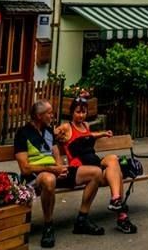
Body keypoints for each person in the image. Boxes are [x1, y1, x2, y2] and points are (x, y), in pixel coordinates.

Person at [14, 99, 104, 248]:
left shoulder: (49, 130)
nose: (52, 116)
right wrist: (51, 170)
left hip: (54, 172)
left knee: (96, 173)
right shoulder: (23, 134)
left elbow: (56, 155)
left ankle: (82, 219)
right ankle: (48, 225)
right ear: (38, 116)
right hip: (36, 177)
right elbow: (25, 168)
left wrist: (61, 168)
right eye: (49, 113)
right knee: (49, 180)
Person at [55, 98, 137, 234]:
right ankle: (122, 217)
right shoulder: (66, 127)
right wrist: (56, 133)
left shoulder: (86, 125)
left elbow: (89, 135)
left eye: (84, 112)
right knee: (118, 174)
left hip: (94, 163)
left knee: (113, 160)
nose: (81, 115)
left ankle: (116, 200)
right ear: (71, 112)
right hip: (81, 168)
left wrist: (103, 134)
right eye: (78, 112)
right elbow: (54, 134)